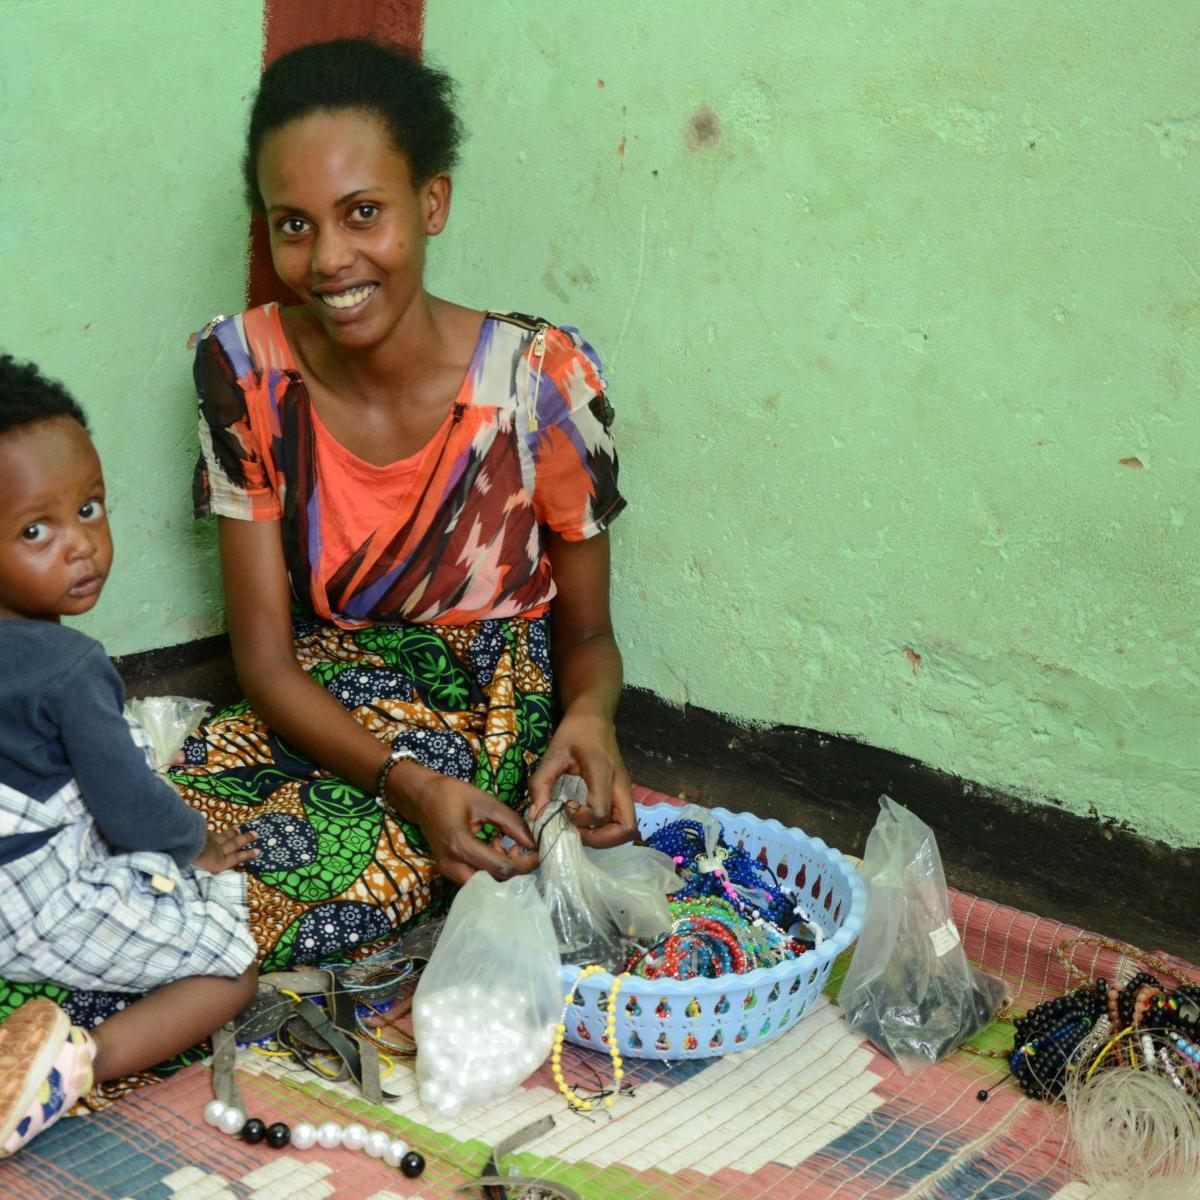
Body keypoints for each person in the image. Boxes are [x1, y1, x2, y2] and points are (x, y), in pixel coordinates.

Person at [172, 37, 634, 974]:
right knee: (155, 842)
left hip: (480, 712)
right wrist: (401, 780)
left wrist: (592, 718)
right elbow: (264, 661)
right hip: (316, 696)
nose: (330, 259)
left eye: (364, 213)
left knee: (335, 877)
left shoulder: (540, 383)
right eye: (292, 225)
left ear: (433, 202)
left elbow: (586, 639)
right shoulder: (241, 370)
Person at [0, 355, 258, 1156]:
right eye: (36, 530)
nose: (81, 546)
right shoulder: (72, 670)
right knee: (231, 965)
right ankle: (74, 1064)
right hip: (25, 903)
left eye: (89, 506)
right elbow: (128, 808)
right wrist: (198, 846)